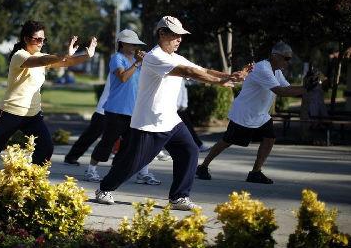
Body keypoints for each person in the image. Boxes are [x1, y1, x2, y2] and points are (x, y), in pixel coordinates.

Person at [94, 16, 248, 210]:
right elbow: (189, 72)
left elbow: (201, 69)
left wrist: (230, 76)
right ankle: (104, 189)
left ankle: (179, 197)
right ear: (162, 33)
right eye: (175, 35)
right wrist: (219, 82)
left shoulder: (175, 57)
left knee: (189, 151)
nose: (179, 39)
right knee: (132, 164)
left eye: (181, 35)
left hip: (171, 120)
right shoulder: (154, 57)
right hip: (150, 123)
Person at [0, 20, 97, 187]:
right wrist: (65, 54)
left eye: (43, 39)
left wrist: (87, 55)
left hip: (33, 115)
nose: (40, 43)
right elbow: (43, 62)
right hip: (10, 112)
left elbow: (66, 63)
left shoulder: (41, 57)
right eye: (36, 39)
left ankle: (31, 183)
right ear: (25, 39)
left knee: (46, 147)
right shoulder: (20, 56)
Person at [196, 41, 305, 184]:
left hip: (261, 115)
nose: (288, 62)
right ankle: (203, 167)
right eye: (286, 58)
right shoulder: (262, 69)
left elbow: (288, 88)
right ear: (275, 56)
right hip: (245, 114)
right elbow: (280, 91)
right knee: (227, 141)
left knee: (270, 138)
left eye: (289, 59)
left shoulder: (277, 71)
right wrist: (307, 88)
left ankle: (255, 172)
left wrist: (307, 86)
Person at [83, 29, 161, 185]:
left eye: (136, 44)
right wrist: (137, 63)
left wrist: (145, 62)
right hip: (115, 111)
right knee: (107, 142)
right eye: (131, 43)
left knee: (131, 146)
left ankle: (125, 173)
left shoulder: (138, 61)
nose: (134, 47)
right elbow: (123, 77)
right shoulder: (117, 58)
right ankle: (91, 170)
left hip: (134, 111)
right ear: (123, 43)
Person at [63, 75, 111, 166]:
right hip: (104, 109)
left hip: (123, 110)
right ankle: (71, 157)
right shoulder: (120, 62)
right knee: (91, 134)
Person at [177, 78, 211, 152]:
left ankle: (197, 145)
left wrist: (184, 103)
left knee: (186, 127)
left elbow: (186, 85)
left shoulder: (180, 76)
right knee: (185, 128)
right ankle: (197, 145)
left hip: (179, 108)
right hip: (172, 107)